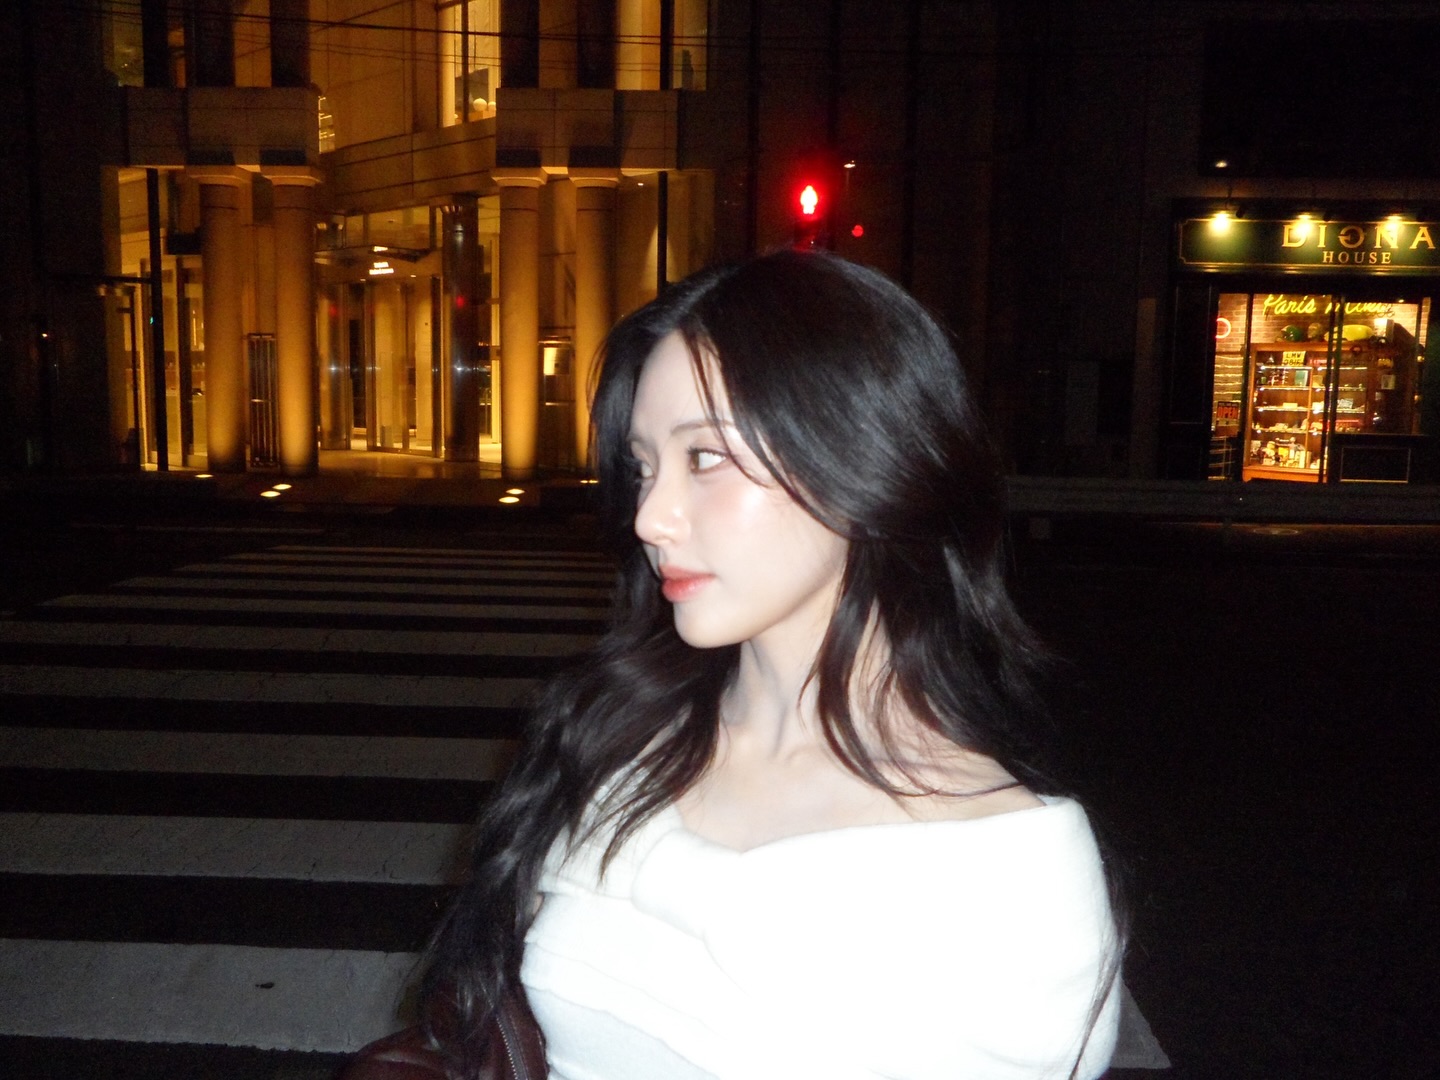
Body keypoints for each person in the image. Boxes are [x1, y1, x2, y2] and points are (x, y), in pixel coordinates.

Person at [420, 250, 1123, 1080]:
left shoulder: (1009, 872)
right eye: (644, 467)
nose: (649, 517)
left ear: (858, 454)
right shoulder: (618, 738)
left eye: (705, 458)